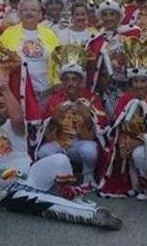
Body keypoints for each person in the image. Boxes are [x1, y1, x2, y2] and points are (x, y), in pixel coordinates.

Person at [0, 72, 122, 230]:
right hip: (8, 191)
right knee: (47, 203)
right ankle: (92, 215)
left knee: (60, 159)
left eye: (1, 106)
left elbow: (17, 117)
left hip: (31, 174)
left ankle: (74, 198)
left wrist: (4, 88)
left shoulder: (14, 125)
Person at [97, 37, 147, 198]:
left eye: (143, 81)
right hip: (127, 146)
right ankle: (131, 181)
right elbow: (117, 126)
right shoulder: (126, 98)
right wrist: (124, 142)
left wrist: (138, 142)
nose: (139, 85)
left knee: (140, 153)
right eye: (136, 81)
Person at [37, 45, 107, 186]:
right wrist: (55, 119)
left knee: (90, 150)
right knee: (43, 153)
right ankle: (59, 175)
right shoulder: (54, 99)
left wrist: (87, 117)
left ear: (81, 81)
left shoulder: (92, 98)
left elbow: (95, 137)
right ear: (62, 81)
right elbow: (47, 137)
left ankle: (88, 177)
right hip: (60, 143)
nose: (70, 83)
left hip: (80, 143)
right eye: (67, 79)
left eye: (74, 79)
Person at [0, 0, 56, 113]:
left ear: (40, 14)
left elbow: (57, 60)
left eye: (34, 10)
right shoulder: (9, 33)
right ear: (19, 14)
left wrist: (57, 82)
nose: (29, 13)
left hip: (44, 91)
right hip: (17, 90)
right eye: (25, 10)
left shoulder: (50, 34)